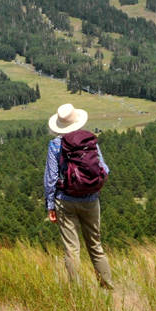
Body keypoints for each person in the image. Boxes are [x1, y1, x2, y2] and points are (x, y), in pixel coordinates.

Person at [44, 102, 114, 289]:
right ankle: (108, 288)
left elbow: (51, 178)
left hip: (65, 201)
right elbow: (104, 169)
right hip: (91, 201)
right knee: (96, 247)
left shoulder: (55, 145)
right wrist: (93, 189)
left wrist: (50, 205)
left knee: (72, 250)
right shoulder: (89, 142)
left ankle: (77, 293)